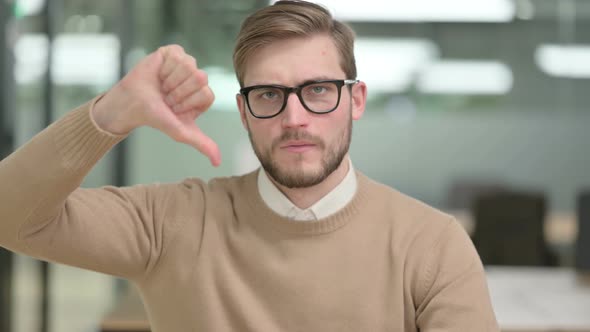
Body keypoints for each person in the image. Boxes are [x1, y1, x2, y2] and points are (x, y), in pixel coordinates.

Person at [0, 1, 499, 331]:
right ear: (243, 111)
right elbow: (11, 216)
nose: (294, 118)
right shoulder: (171, 222)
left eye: (319, 91)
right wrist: (111, 113)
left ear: (356, 100)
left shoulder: (431, 244)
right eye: (268, 94)